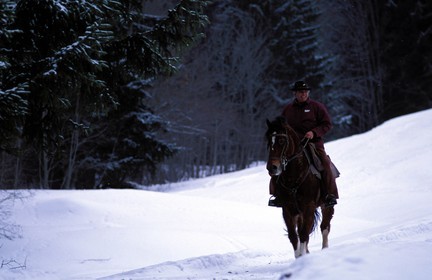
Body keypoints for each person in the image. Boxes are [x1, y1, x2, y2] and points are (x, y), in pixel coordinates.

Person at [268, 80, 339, 208]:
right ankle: (277, 196)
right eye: (301, 92)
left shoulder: (317, 107)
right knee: (276, 165)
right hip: (292, 147)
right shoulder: (288, 109)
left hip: (314, 144)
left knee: (325, 164)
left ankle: (329, 195)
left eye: (306, 92)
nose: (304, 94)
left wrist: (314, 132)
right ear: (295, 93)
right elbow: (281, 127)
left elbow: (327, 124)